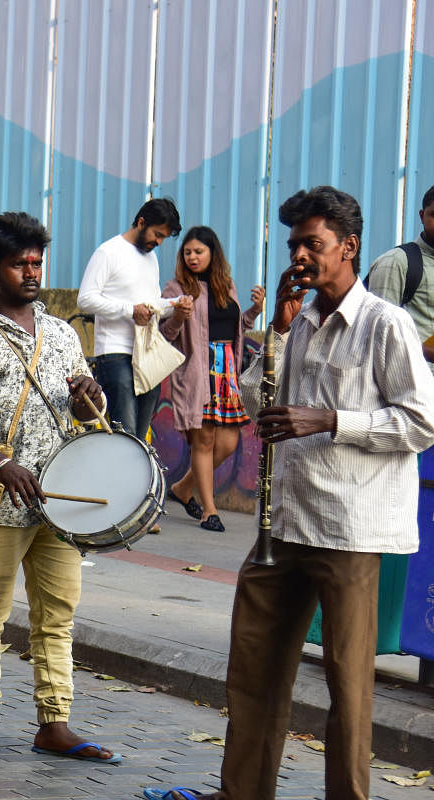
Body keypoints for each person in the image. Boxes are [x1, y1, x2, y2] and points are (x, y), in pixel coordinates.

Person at [145, 186, 434, 800]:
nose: (300, 254)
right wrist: (274, 330)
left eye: (314, 243)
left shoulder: (386, 325)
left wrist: (328, 419)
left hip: (349, 532)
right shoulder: (296, 322)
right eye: (295, 243)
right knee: (252, 674)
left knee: (349, 690)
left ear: (349, 247)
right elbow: (253, 400)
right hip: (282, 529)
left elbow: (421, 422)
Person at [0, 212, 118, 765]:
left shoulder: (63, 333)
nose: (32, 272)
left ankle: (54, 724)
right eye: (20, 264)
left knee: (57, 615)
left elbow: (87, 415)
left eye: (37, 262)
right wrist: (3, 463)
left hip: (60, 501)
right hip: (0, 498)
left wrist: (92, 398)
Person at [159, 226, 263, 532]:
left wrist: (254, 310)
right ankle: (210, 510)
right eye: (187, 252)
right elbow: (167, 334)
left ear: (212, 254)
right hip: (196, 374)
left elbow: (236, 328)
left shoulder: (225, 285)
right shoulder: (175, 288)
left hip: (226, 372)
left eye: (198, 252)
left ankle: (182, 487)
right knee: (203, 441)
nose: (192, 257)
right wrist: (179, 313)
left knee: (228, 444)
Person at [77, 197, 182, 439]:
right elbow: (86, 299)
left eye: (163, 238)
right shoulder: (108, 252)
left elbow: (151, 305)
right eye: (157, 234)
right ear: (141, 222)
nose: (158, 242)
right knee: (125, 435)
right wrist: (130, 310)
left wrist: (175, 305)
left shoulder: (151, 258)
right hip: (114, 354)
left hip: (146, 355)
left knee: (140, 436)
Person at [366, 184, 434, 364]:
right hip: (413, 387)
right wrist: (425, 351)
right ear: (422, 216)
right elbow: (376, 334)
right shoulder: (397, 262)